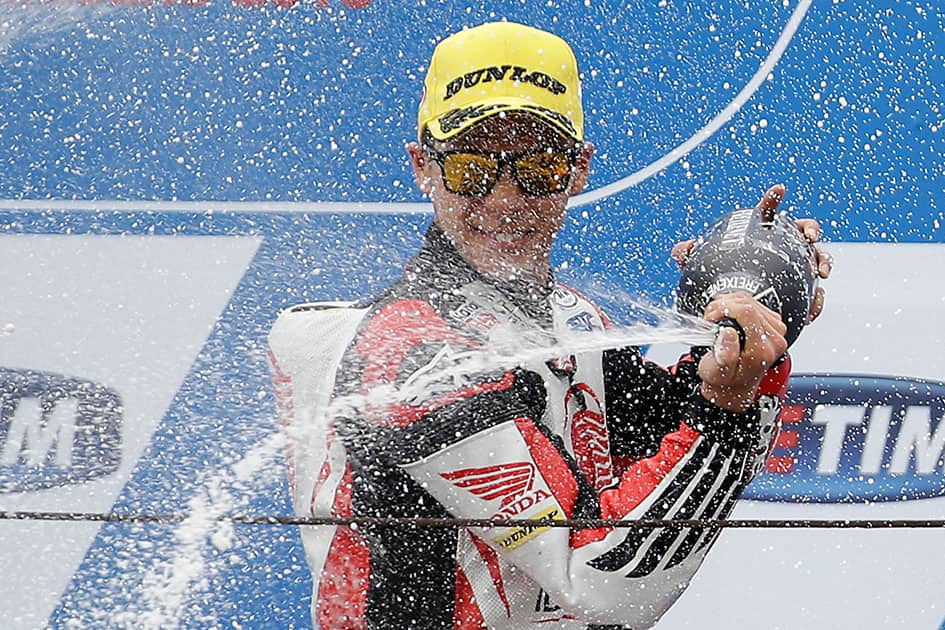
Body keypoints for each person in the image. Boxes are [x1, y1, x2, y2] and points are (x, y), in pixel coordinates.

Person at [268, 21, 832, 630]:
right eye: (470, 168)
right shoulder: (409, 355)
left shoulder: (574, 320)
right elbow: (602, 579)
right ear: (422, 167)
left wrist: (752, 306)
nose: (505, 199)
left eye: (536, 168)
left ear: (578, 170)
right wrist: (727, 404)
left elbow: (672, 439)